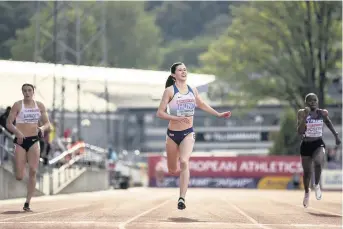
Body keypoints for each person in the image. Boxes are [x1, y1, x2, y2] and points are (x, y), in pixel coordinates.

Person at [156, 62, 231, 210]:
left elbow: (202, 104)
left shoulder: (193, 90)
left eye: (185, 69)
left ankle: (182, 198)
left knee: (184, 162)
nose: (183, 72)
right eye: (180, 70)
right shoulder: (170, 91)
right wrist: (175, 118)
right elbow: (160, 113)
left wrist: (218, 114)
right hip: (172, 135)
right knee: (172, 169)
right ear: (173, 75)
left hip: (188, 133)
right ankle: (174, 159)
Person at [6, 83, 51, 211]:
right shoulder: (17, 105)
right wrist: (17, 132)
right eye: (25, 90)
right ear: (22, 92)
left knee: (33, 171)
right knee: (19, 176)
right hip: (20, 140)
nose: (27, 93)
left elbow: (48, 124)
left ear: (33, 92)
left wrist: (42, 128)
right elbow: (9, 123)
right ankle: (20, 165)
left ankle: (27, 202)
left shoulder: (40, 106)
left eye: (29, 90)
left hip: (33, 140)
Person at [297, 93, 341, 208]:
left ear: (317, 102)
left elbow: (328, 122)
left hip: (318, 143)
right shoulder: (302, 112)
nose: (313, 102)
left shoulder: (322, 113)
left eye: (315, 100)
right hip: (306, 144)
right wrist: (305, 117)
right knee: (307, 173)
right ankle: (307, 192)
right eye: (310, 100)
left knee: (318, 161)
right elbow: (300, 131)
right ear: (306, 102)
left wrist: (336, 135)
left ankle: (316, 184)